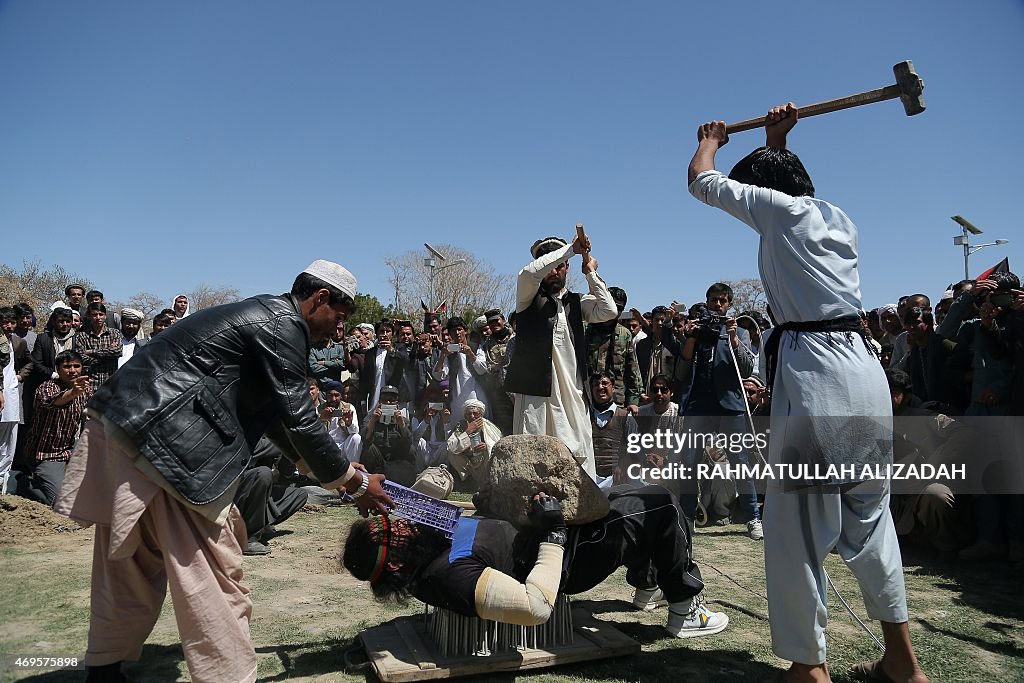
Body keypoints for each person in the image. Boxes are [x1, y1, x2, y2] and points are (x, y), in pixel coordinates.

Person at [54, 260, 393, 683]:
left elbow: (272, 415)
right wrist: (354, 483)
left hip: (128, 425)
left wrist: (326, 468)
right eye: (339, 317)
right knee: (214, 572)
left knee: (130, 561)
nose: (339, 330)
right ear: (320, 299)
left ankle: (103, 670)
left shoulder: (266, 318)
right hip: (163, 442)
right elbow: (300, 417)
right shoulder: (282, 324)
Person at [687, 104, 928, 683]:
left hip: (817, 374)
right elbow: (788, 182)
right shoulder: (837, 218)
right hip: (861, 371)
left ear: (767, 190)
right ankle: (902, 663)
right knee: (872, 523)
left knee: (794, 525)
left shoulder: (780, 211)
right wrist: (776, 141)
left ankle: (807, 668)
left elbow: (701, 182)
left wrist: (710, 141)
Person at [342, 486, 727, 638]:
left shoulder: (427, 546)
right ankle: (684, 609)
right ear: (393, 564)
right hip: (566, 560)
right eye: (395, 532)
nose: (405, 524)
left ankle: (646, 582)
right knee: (661, 504)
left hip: (544, 533)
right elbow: (535, 605)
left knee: (627, 491)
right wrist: (555, 531)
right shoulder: (446, 576)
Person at [504, 233, 619, 479]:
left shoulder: (577, 303)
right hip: (536, 394)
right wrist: (570, 249)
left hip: (573, 391)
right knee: (534, 457)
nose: (554, 272)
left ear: (567, 268)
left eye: (559, 266)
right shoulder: (527, 298)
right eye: (549, 266)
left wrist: (591, 273)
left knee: (576, 455)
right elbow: (528, 274)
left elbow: (608, 311)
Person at [24, 350, 92, 506]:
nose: (73, 370)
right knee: (60, 502)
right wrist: (74, 392)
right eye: (67, 366)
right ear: (57, 369)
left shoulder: (85, 389)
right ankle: (23, 483)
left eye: (77, 366)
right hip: (45, 453)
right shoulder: (46, 387)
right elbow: (55, 401)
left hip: (68, 450)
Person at [446, 398, 502, 488]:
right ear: (465, 416)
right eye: (469, 414)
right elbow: (451, 447)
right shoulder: (461, 426)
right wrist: (468, 431)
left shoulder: (489, 427)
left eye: (475, 413)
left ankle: (489, 481)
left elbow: (497, 445)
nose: (472, 416)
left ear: (481, 415)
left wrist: (486, 446)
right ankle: (468, 480)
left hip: (484, 462)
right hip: (468, 463)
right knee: (451, 453)